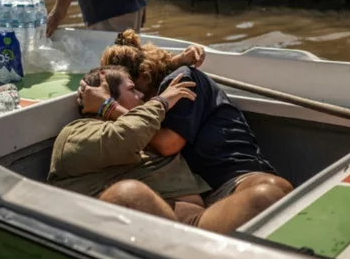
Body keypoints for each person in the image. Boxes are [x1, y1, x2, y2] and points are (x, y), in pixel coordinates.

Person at [50, 66, 288, 233]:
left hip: (197, 222)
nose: (142, 95)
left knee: (271, 193)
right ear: (108, 96)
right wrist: (160, 102)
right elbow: (124, 136)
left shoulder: (149, 132)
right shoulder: (77, 132)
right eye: (132, 90)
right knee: (129, 194)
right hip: (163, 230)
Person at [82, 30, 293, 212]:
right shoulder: (157, 91)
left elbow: (167, 144)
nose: (136, 96)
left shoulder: (180, 81)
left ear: (146, 77)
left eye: (133, 88)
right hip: (209, 188)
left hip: (235, 177)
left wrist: (109, 107)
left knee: (271, 192)